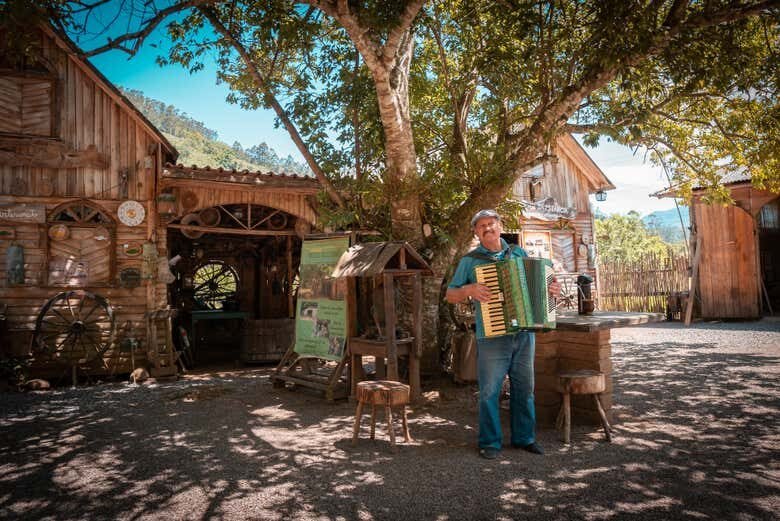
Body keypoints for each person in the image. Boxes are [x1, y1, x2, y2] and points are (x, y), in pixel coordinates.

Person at [445, 209, 560, 460]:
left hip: (524, 333)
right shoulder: (470, 261)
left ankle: (524, 438)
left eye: (491, 223)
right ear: (476, 232)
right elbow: (450, 294)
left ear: (500, 226)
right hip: (492, 334)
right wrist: (469, 289)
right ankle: (490, 442)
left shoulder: (518, 253)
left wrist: (551, 288)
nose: (487, 228)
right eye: (481, 225)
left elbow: (543, 284)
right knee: (489, 391)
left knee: (525, 388)